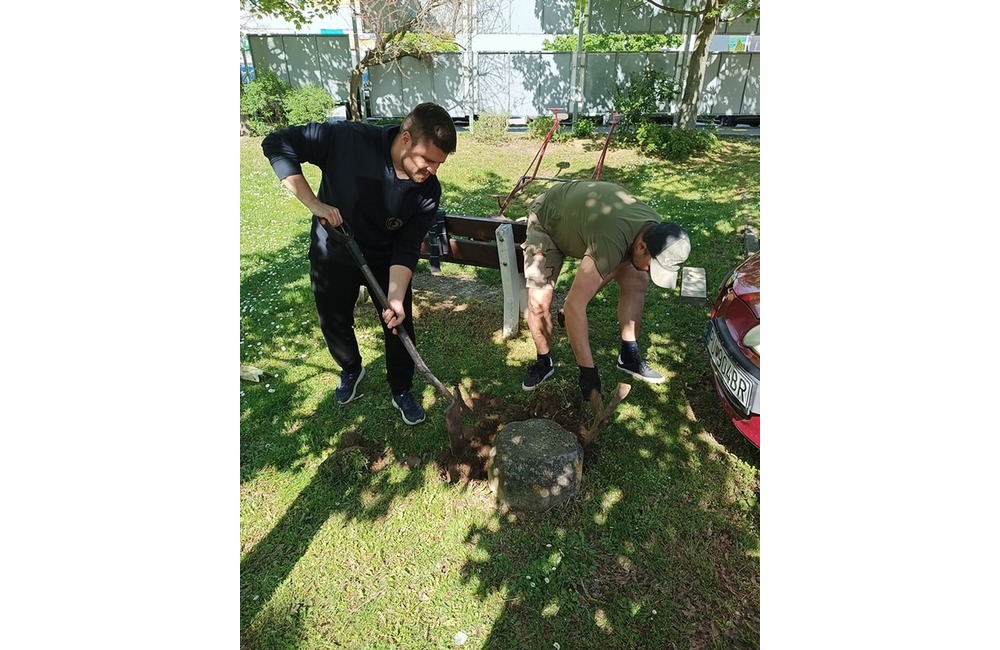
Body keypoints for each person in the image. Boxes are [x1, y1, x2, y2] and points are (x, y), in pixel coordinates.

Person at [261, 102, 457, 425]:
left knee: (398, 324)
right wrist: (315, 204)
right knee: (334, 320)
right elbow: (277, 143)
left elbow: (407, 246)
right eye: (428, 160)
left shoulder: (427, 192)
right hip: (334, 251)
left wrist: (395, 297)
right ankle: (351, 367)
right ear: (406, 139)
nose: (432, 170)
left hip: (385, 260)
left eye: (439, 163)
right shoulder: (346, 140)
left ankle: (401, 389)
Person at [518, 180, 691, 402]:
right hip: (548, 219)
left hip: (587, 224)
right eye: (652, 266)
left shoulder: (656, 231)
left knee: (637, 278)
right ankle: (543, 361)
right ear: (642, 247)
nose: (651, 271)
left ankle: (629, 355)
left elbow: (620, 263)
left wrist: (573, 302)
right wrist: (587, 372)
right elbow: (575, 307)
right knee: (538, 303)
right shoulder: (611, 240)